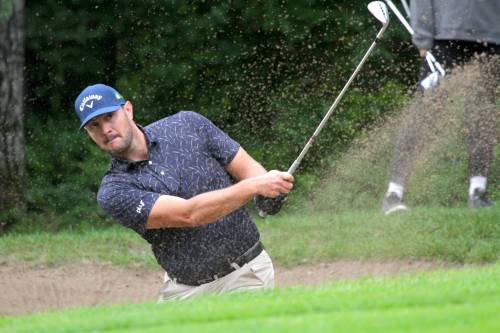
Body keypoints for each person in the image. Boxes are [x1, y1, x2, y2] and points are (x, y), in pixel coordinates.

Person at [73, 83, 294, 300]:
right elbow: (189, 214)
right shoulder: (114, 190)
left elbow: (248, 169)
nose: (105, 130)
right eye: (94, 125)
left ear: (127, 110)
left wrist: (267, 191)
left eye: (110, 117)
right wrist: (255, 186)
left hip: (246, 274)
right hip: (184, 291)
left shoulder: (187, 125)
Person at [381, 0, 499, 214]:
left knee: (482, 114)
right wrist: (423, 38)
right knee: (424, 114)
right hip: (445, 38)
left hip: (492, 35)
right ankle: (393, 194)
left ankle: (478, 191)